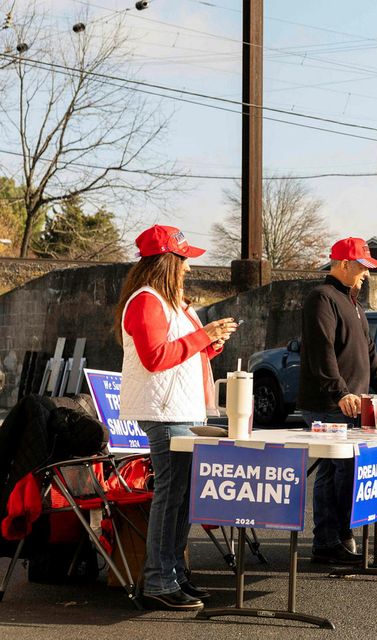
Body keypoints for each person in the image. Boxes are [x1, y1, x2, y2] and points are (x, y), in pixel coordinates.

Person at [115, 225, 238, 610]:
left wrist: (211, 345)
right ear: (167, 261)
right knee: (172, 496)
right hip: (163, 412)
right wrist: (205, 337)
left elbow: (179, 354)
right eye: (183, 259)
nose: (188, 266)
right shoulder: (147, 301)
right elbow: (155, 359)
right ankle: (159, 578)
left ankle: (172, 574)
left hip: (178, 409)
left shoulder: (171, 303)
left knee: (182, 496)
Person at [298, 237, 377, 564]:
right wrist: (340, 392)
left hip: (351, 406)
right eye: (362, 267)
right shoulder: (321, 299)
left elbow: (370, 355)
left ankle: (333, 537)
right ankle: (332, 539)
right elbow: (321, 353)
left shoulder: (354, 304)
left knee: (338, 472)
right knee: (340, 471)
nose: (366, 275)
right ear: (343, 264)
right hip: (329, 405)